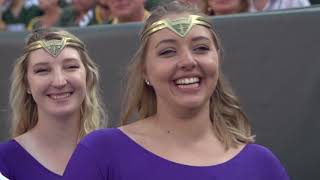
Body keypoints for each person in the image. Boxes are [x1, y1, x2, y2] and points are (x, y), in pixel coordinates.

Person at [64, 1, 289, 179]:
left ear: (217, 61)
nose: (187, 61)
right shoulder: (102, 153)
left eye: (200, 48)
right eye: (167, 52)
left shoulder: (262, 164)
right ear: (145, 72)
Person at [0, 28, 106, 179]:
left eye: (71, 67)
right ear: (27, 84)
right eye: (42, 70)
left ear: (87, 77)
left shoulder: (116, 152)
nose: (59, 82)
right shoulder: (4, 161)